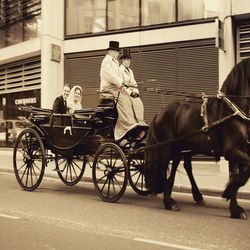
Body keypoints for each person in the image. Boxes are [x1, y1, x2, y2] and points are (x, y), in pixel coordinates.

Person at [100, 41, 147, 140]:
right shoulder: (106, 61)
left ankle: (139, 122)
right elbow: (111, 77)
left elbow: (128, 82)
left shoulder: (115, 61)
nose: (118, 54)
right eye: (117, 52)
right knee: (125, 100)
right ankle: (126, 127)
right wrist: (123, 86)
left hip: (116, 87)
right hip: (108, 88)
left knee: (137, 101)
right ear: (111, 51)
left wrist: (133, 92)